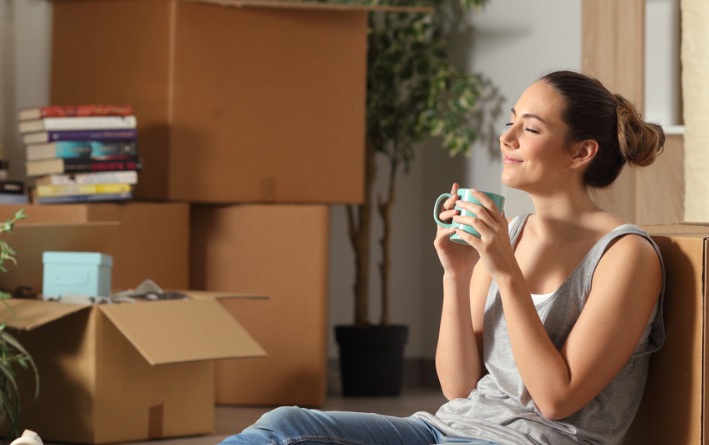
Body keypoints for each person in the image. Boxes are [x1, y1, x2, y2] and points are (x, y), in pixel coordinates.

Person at [220, 70, 666, 445]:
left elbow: (555, 400)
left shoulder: (625, 254)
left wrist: (505, 272)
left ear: (581, 152)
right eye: (510, 122)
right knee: (286, 427)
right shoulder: (510, 235)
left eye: (529, 129)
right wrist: (458, 272)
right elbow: (458, 389)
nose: (505, 137)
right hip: (448, 430)